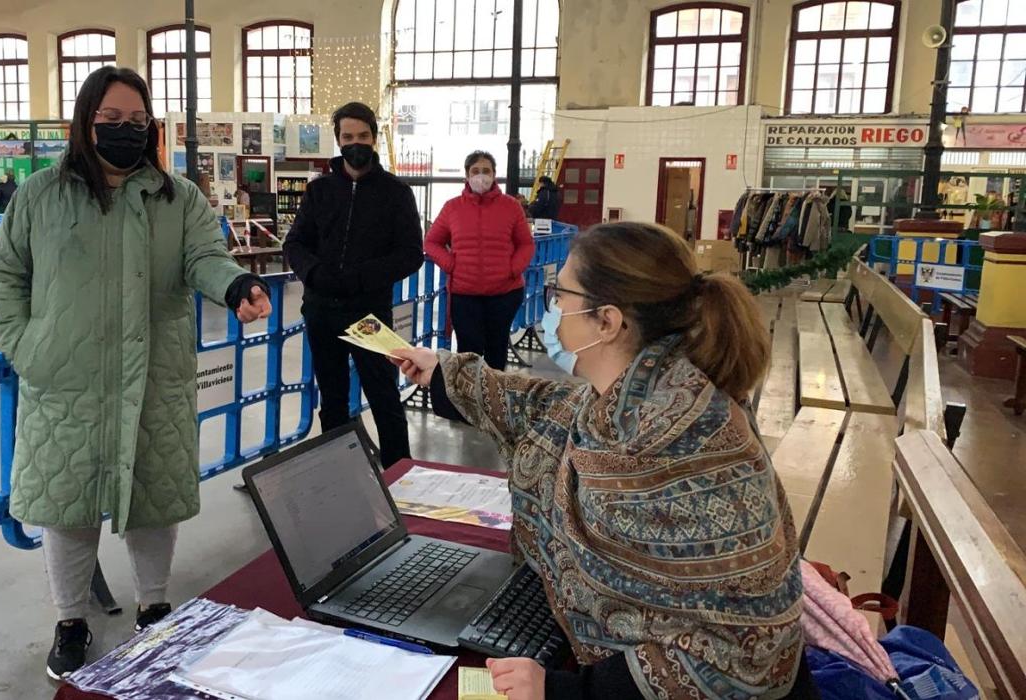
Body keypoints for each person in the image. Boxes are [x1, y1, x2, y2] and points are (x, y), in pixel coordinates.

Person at [392, 222, 817, 700]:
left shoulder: (674, 445)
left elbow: (740, 663)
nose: (554, 309)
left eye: (562, 294)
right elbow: (542, 408)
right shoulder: (654, 387)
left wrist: (560, 691)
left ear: (607, 321)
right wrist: (444, 372)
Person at [0, 66, 272, 681]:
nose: (125, 132)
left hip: (154, 373)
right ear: (84, 124)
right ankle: (70, 619)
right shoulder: (39, 196)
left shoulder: (179, 198)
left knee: (151, 502)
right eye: (111, 121)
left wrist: (238, 284)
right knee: (68, 505)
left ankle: (155, 607)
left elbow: (206, 258)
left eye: (138, 122)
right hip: (65, 378)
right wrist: (25, 346)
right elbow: (7, 275)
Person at [283, 101, 423, 469]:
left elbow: (411, 254)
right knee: (331, 398)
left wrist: (363, 276)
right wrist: (314, 274)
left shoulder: (396, 193)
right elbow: (294, 243)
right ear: (338, 140)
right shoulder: (320, 192)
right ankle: (338, 471)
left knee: (383, 395)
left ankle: (400, 472)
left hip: (369, 313)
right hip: (321, 311)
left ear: (374, 138)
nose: (355, 143)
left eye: (363, 136)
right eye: (348, 137)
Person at [424, 151, 534, 370]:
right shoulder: (452, 207)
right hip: (465, 295)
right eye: (475, 171)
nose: (481, 176)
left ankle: (494, 400)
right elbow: (431, 242)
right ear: (466, 175)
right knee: (468, 354)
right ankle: (469, 401)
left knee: (497, 349)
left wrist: (513, 269)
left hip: (504, 293)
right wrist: (451, 265)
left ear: (494, 174)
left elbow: (526, 244)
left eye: (486, 171)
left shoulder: (511, 206)